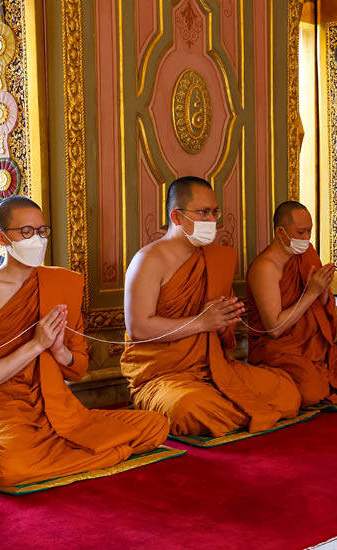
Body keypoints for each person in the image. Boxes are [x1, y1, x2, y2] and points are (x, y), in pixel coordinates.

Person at [0, 196, 168, 487]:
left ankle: (76, 450)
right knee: (9, 469)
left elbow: (79, 369)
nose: (38, 240)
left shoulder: (60, 284)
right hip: (5, 409)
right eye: (27, 232)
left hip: (59, 407)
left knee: (155, 426)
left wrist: (58, 350)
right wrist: (36, 344)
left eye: (42, 231)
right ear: (2, 238)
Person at [120, 177, 301, 437]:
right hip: (164, 376)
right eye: (203, 213)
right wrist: (203, 322)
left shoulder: (216, 258)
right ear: (177, 217)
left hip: (214, 369)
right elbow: (138, 327)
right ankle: (232, 408)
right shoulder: (148, 260)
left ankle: (231, 409)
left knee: (287, 392)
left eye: (214, 212)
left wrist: (227, 318)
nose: (211, 220)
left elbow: (220, 331)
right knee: (191, 408)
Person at [244, 201, 337, 406]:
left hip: (315, 349)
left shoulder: (306, 253)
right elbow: (275, 329)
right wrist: (312, 292)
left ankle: (322, 377)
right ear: (280, 232)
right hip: (280, 352)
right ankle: (275, 378)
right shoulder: (265, 268)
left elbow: (320, 308)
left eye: (309, 232)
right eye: (301, 232)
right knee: (311, 391)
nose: (306, 238)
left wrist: (322, 293)